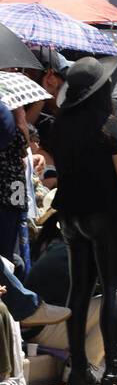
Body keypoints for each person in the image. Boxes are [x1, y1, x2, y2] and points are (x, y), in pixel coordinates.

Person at [47, 58, 117, 385]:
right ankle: (114, 367)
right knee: (114, 287)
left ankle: (78, 369)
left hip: (70, 213)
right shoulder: (109, 124)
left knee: (79, 289)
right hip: (105, 211)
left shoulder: (60, 125)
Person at [0, 100, 28, 265]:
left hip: (11, 197)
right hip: (10, 199)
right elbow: (23, 145)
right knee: (7, 257)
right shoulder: (4, 114)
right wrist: (20, 114)